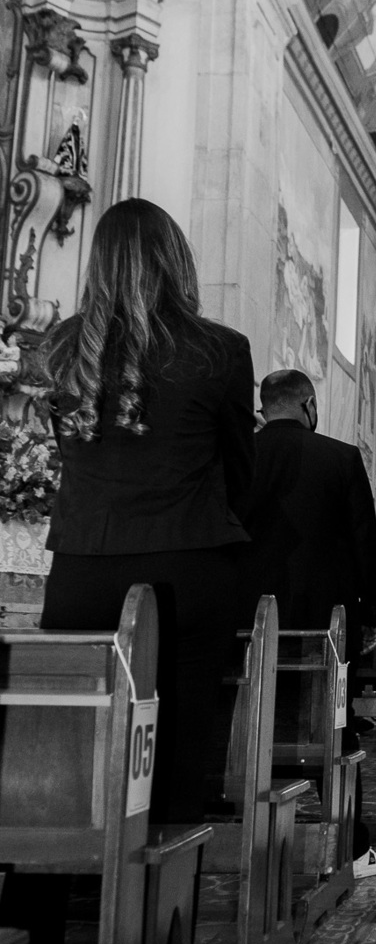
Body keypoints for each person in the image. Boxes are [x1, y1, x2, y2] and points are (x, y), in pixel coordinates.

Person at [40, 199, 255, 822]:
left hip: (83, 568)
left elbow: (70, 456)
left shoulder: (60, 347)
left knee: (72, 740)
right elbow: (240, 471)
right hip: (188, 567)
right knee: (181, 743)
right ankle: (167, 907)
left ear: (99, 263)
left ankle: (54, 899)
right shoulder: (220, 349)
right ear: (175, 261)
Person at [240, 367, 376, 879]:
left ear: (265, 407)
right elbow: (362, 545)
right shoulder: (340, 457)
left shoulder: (238, 455)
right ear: (309, 405)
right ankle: (351, 848)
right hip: (323, 626)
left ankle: (238, 837)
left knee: (247, 715)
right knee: (333, 721)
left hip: (245, 623)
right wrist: (372, 614)